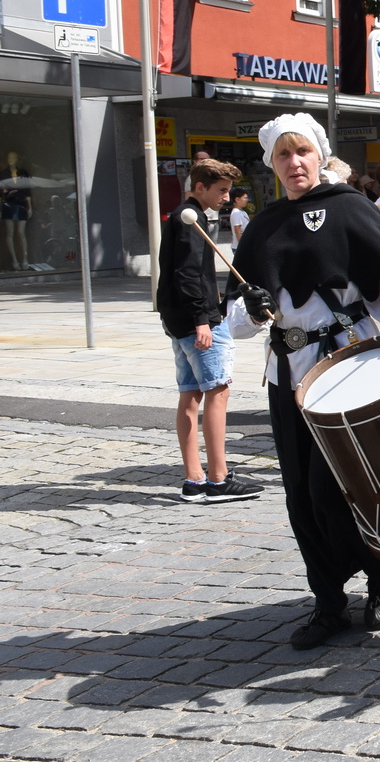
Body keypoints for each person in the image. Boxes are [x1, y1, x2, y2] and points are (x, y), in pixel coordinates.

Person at [225, 113, 380, 649]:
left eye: (302, 151)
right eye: (283, 155)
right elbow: (233, 321)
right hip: (290, 376)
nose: (294, 162)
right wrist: (253, 310)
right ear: (271, 163)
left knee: (360, 483)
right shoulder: (263, 227)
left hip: (352, 365)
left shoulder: (350, 209)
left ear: (319, 153)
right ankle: (327, 600)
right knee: (303, 490)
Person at [158, 159, 263, 504]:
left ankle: (193, 479)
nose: (227, 197)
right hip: (198, 320)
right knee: (218, 393)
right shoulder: (191, 219)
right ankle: (218, 479)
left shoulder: (185, 215)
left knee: (190, 396)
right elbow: (187, 274)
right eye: (221, 190)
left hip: (178, 319)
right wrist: (202, 320)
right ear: (200, 187)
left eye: (229, 191)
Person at [1, 150, 29, 270]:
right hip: (8, 204)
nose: (10, 159)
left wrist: (30, 207)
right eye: (9, 157)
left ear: (17, 159)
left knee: (21, 232)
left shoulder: (23, 173)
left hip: (21, 204)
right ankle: (15, 260)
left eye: (13, 157)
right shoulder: (3, 173)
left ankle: (25, 259)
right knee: (10, 233)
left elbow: (27, 190)